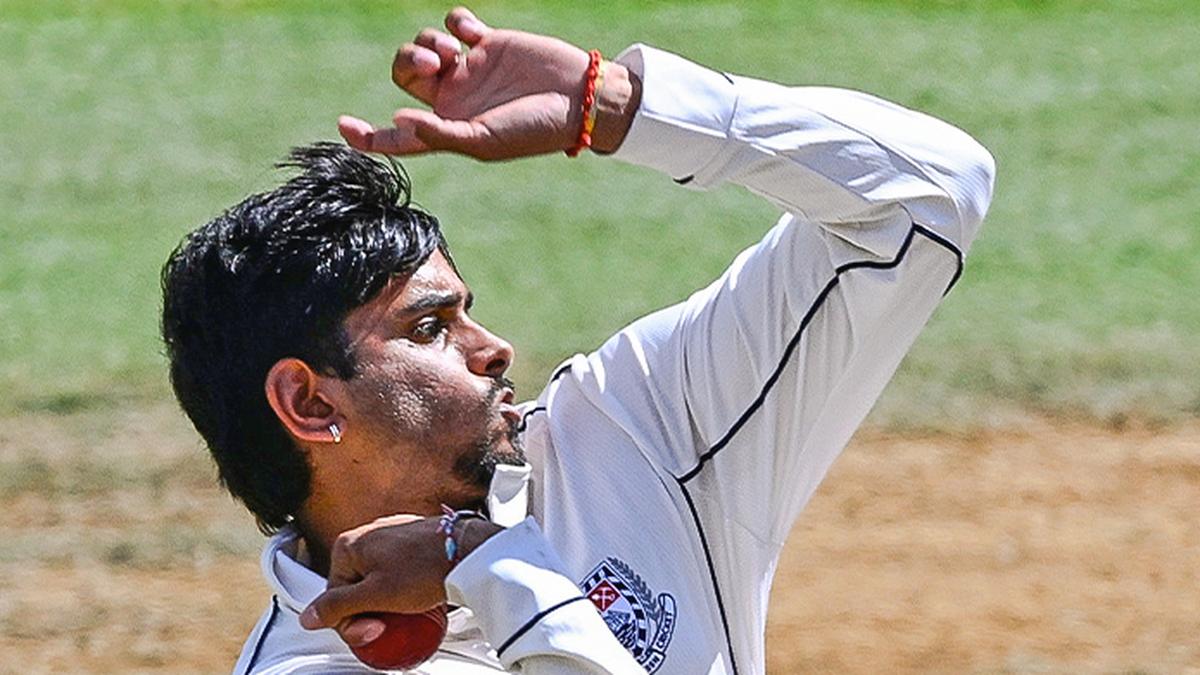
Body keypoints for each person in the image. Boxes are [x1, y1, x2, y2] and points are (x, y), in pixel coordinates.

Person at [161, 6, 994, 674]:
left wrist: (623, 108)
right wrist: (483, 564)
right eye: (429, 328)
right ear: (309, 403)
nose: (496, 349)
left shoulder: (632, 430)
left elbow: (930, 195)